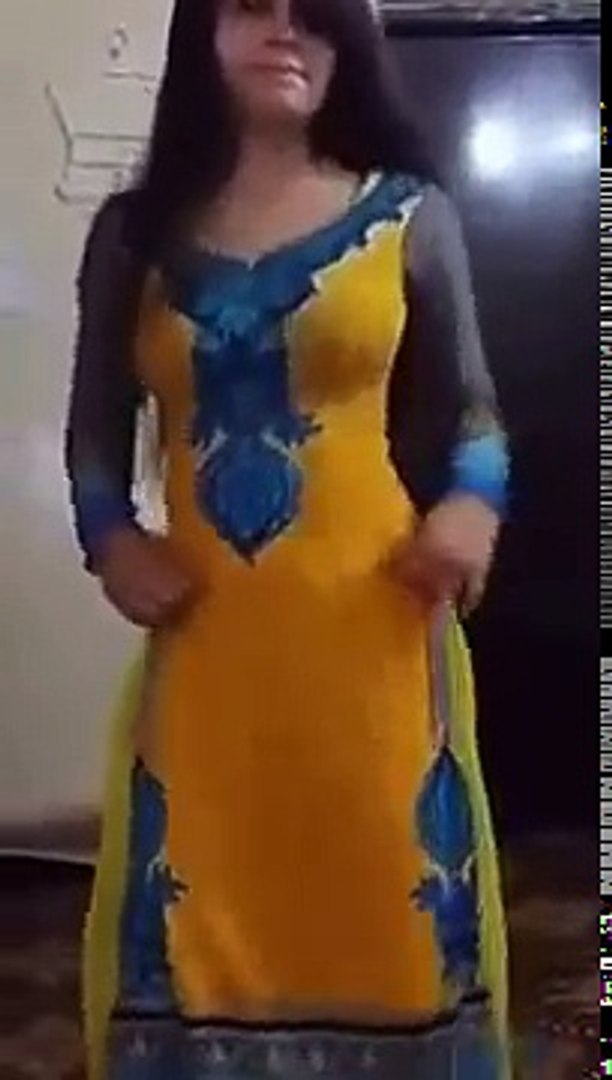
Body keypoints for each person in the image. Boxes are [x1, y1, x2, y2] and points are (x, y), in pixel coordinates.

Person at [65, 0, 511, 1076]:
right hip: (212, 644)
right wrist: (110, 537)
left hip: (375, 635)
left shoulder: (409, 215)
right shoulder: (135, 236)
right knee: (199, 913)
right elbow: (93, 436)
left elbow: (475, 418)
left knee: (388, 907)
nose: (286, 34)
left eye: (314, 16)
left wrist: (472, 504)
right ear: (201, 33)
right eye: (252, 8)